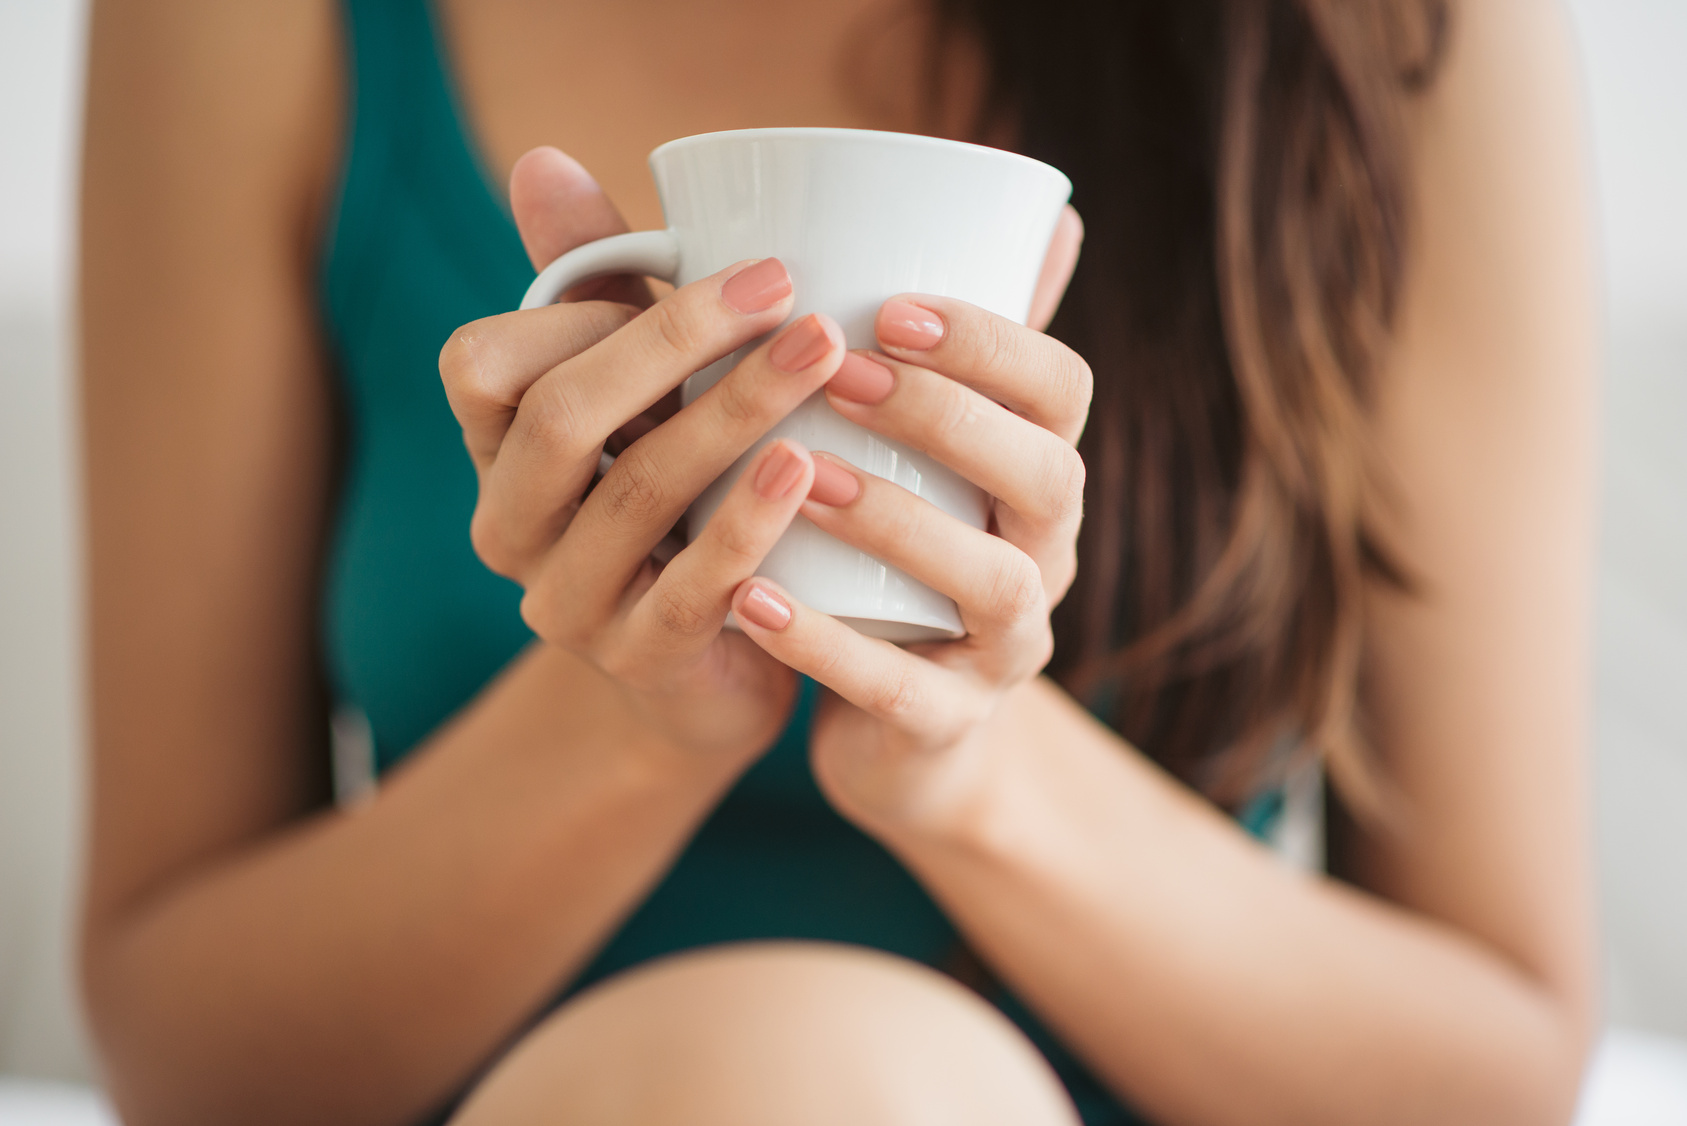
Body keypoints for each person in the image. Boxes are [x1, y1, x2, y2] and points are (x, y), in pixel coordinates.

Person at [76, 0, 1598, 1122]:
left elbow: (1499, 1061)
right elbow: (185, 1051)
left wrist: (968, 774)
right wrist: (628, 719)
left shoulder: (1406, 36)